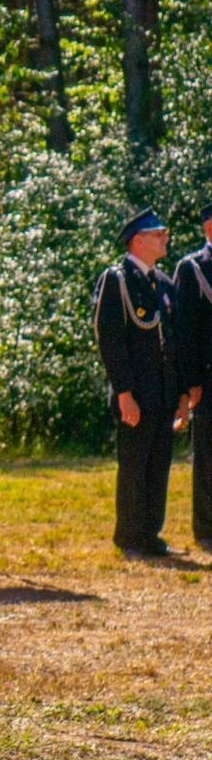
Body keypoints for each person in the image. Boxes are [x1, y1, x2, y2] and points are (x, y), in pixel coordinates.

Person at [93, 207, 189, 558]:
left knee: (158, 464)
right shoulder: (118, 279)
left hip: (162, 391)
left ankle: (150, 533)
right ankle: (129, 536)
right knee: (134, 465)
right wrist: (124, 392)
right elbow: (110, 339)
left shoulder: (162, 283)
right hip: (136, 391)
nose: (165, 238)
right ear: (138, 241)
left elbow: (173, 343)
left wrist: (180, 393)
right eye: (157, 234)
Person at [171, 202, 212, 551]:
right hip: (209, 377)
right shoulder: (193, 268)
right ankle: (207, 529)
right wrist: (191, 381)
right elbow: (184, 330)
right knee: (209, 456)